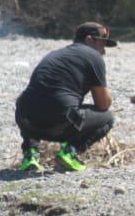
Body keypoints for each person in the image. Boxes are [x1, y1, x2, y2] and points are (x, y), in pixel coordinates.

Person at [14, 22, 117, 172]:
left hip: (27, 121)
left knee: (31, 101)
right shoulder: (93, 56)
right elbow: (103, 105)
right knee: (107, 117)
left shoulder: (56, 54)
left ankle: (30, 155)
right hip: (58, 123)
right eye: (102, 44)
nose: (103, 50)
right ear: (89, 40)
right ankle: (69, 152)